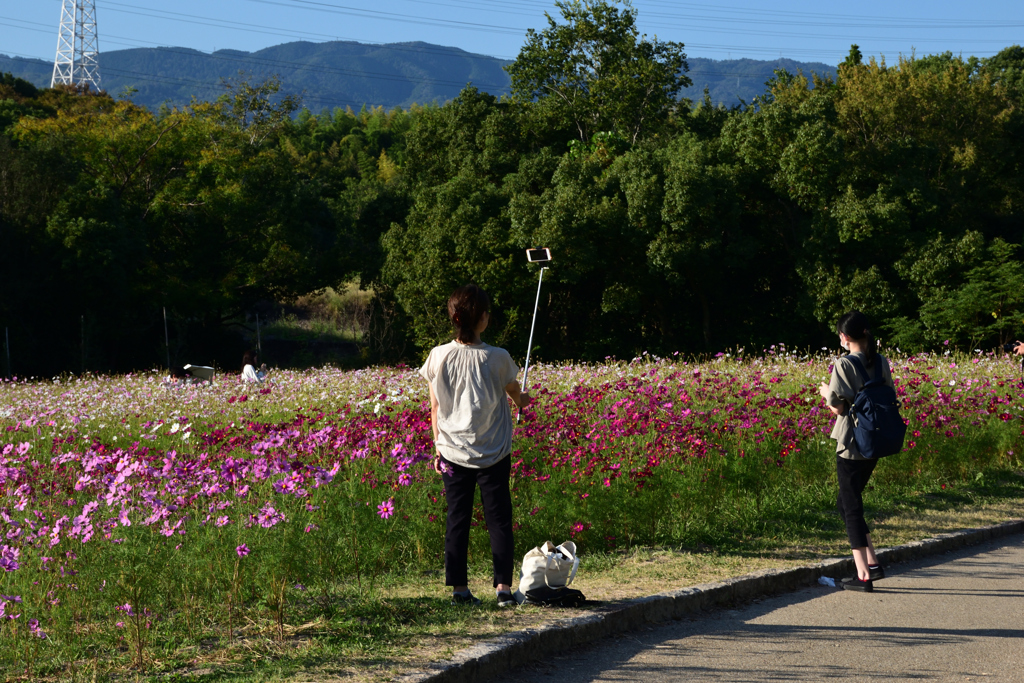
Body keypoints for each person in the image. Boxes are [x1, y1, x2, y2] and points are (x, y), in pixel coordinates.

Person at [419, 285, 533, 608]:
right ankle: (503, 589)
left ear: (454, 318)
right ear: (482, 318)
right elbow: (515, 393)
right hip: (494, 451)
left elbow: (435, 407)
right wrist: (523, 400)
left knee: (457, 519)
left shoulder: (437, 356)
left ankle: (459, 590)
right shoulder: (498, 357)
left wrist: (437, 446)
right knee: (499, 519)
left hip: (451, 450)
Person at [817, 310, 893, 592]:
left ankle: (863, 575)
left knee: (850, 506)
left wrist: (826, 393)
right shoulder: (881, 361)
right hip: (875, 441)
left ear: (844, 337)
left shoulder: (844, 364)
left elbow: (838, 407)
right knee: (847, 501)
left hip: (851, 443)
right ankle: (872, 562)